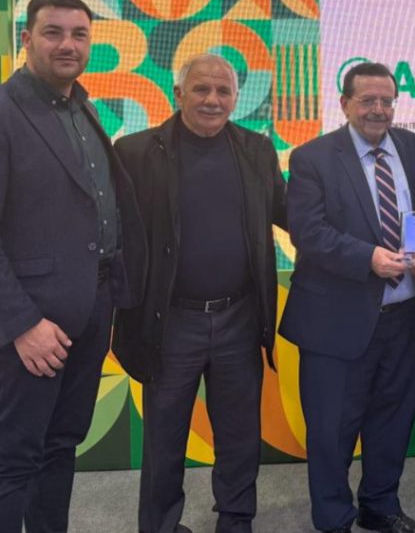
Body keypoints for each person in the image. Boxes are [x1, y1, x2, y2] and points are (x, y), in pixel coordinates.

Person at [0, 0, 145, 533]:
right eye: (53, 32)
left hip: (89, 311)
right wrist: (23, 325)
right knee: (13, 457)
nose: (67, 45)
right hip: (30, 327)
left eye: (79, 35)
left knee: (60, 446)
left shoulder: (83, 109)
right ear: (27, 39)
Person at [112, 53, 288, 533]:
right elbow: (114, 235)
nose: (213, 100)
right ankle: (160, 525)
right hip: (169, 322)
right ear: (178, 94)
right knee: (164, 436)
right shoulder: (134, 152)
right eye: (202, 89)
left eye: (223, 91)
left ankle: (236, 520)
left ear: (236, 98)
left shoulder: (257, 150)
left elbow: (289, 212)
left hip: (240, 318)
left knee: (240, 433)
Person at [281, 62, 415, 533]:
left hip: (404, 314)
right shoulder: (312, 158)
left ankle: (380, 506)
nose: (378, 110)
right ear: (345, 103)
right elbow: (308, 232)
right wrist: (367, 257)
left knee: (393, 418)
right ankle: (333, 518)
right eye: (367, 100)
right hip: (336, 318)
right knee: (331, 428)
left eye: (387, 101)